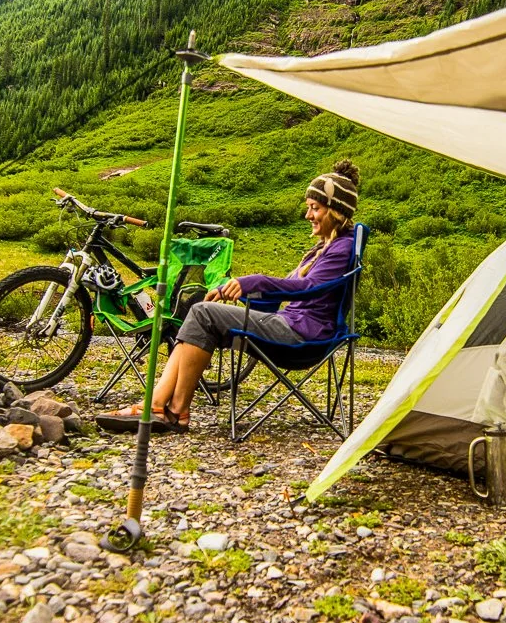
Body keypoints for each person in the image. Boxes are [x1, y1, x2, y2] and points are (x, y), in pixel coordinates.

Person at [96, 159, 360, 434]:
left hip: (304, 335)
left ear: (336, 211)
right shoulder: (322, 249)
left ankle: (169, 410)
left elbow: (308, 289)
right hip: (291, 324)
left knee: (202, 312)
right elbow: (286, 293)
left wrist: (251, 282)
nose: (308, 215)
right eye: (308, 208)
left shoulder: (342, 248)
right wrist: (235, 294)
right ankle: (159, 406)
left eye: (315, 208)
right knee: (204, 314)